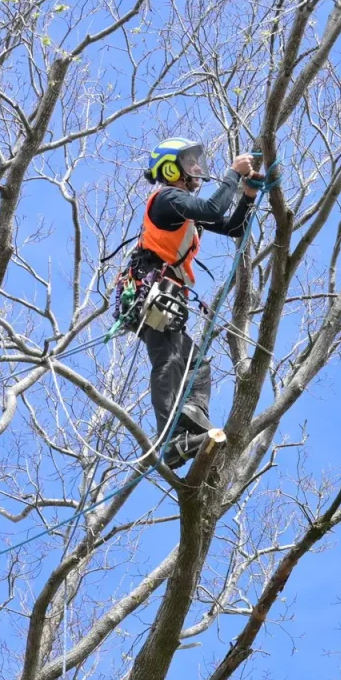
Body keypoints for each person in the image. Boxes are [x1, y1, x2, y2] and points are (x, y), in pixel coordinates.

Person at [128, 137, 259, 468]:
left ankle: (190, 421)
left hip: (170, 297)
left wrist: (248, 196)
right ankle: (168, 439)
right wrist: (232, 173)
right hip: (152, 289)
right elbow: (214, 209)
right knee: (169, 359)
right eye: (190, 162)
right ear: (172, 169)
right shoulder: (168, 198)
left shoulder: (185, 207)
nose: (198, 168)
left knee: (196, 364)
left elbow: (233, 226)